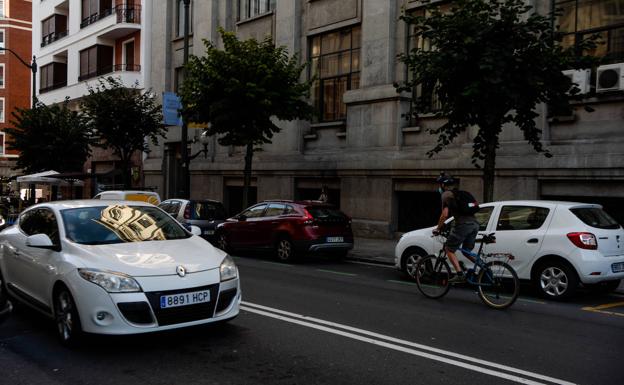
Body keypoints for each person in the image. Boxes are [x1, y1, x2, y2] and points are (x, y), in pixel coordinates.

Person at [433, 174, 480, 283]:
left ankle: (459, 274)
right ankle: (483, 267)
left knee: (449, 249)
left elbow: (444, 215)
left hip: (464, 225)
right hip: (475, 224)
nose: (439, 187)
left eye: (440, 185)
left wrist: (438, 228)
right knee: (466, 252)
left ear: (443, 185)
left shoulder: (446, 195)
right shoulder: (460, 194)